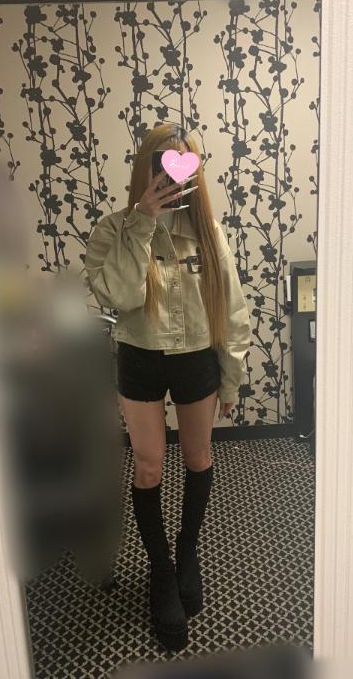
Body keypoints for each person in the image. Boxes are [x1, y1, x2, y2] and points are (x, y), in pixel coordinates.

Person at [85, 123, 252, 651]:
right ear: (145, 165)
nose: (170, 173)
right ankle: (160, 570)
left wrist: (231, 376)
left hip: (198, 357)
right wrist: (142, 222)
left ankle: (187, 552)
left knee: (199, 457)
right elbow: (119, 297)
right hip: (140, 358)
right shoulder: (114, 229)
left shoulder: (208, 231)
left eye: (181, 162)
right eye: (161, 161)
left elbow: (231, 308)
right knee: (150, 465)